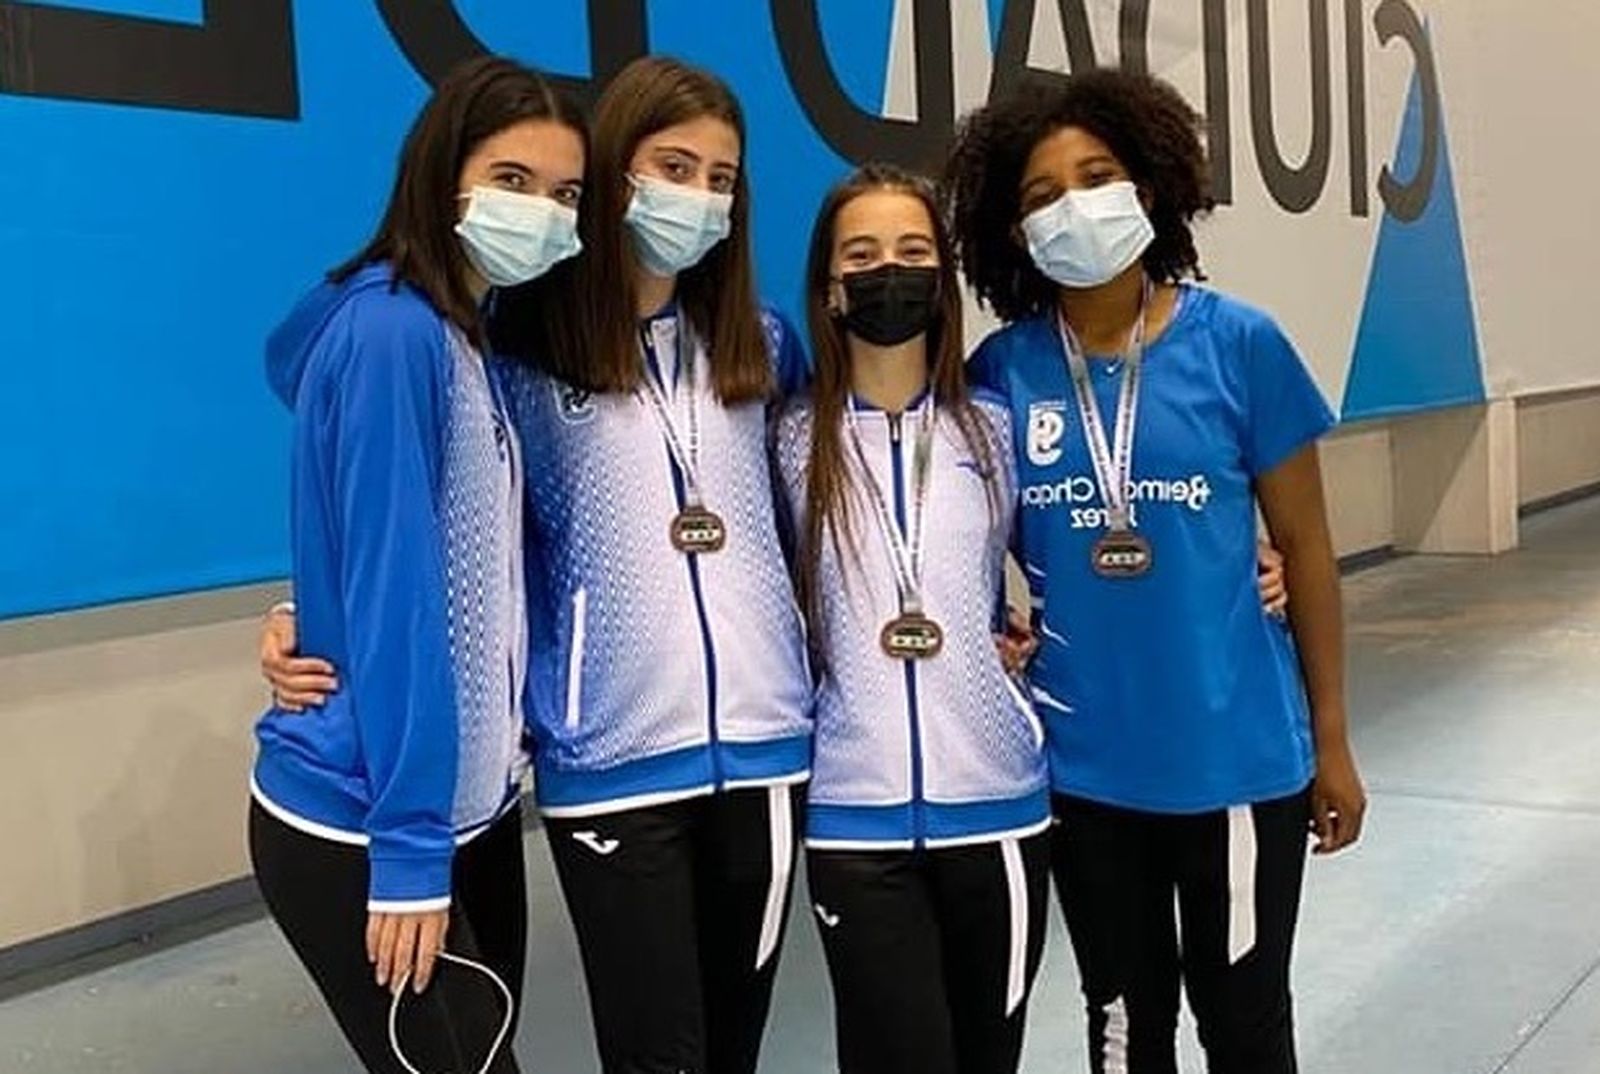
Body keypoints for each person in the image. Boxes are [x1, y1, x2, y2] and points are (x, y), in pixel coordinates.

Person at [263, 56, 813, 1074]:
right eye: (671, 166)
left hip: (751, 753)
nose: (696, 198)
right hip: (593, 766)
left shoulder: (762, 349)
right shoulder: (503, 344)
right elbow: (396, 528)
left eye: (721, 177)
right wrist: (314, 611)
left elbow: (839, 517)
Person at [945, 67, 1368, 1074]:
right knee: (1121, 1027)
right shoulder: (1002, 373)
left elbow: (1304, 548)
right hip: (1085, 774)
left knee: (1243, 1023)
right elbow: (958, 539)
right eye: (1042, 194)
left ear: (1149, 187)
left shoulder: (1241, 346)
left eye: (1095, 176)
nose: (1072, 206)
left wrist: (1334, 742)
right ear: (1012, 229)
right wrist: (993, 632)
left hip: (1235, 766)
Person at [247, 57, 585, 1074]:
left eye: (564, 194)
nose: (541, 212)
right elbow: (402, 600)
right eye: (513, 181)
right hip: (371, 821)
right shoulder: (394, 332)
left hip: (469, 808)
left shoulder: (463, 336)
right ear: (444, 178)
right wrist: (405, 850)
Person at [774, 163, 1051, 1074]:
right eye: (863, 254)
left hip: (996, 810)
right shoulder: (785, 441)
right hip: (855, 819)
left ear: (942, 278)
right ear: (829, 285)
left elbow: (1090, 554)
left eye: (912, 251)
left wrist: (1261, 564)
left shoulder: (995, 432)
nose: (888, 271)